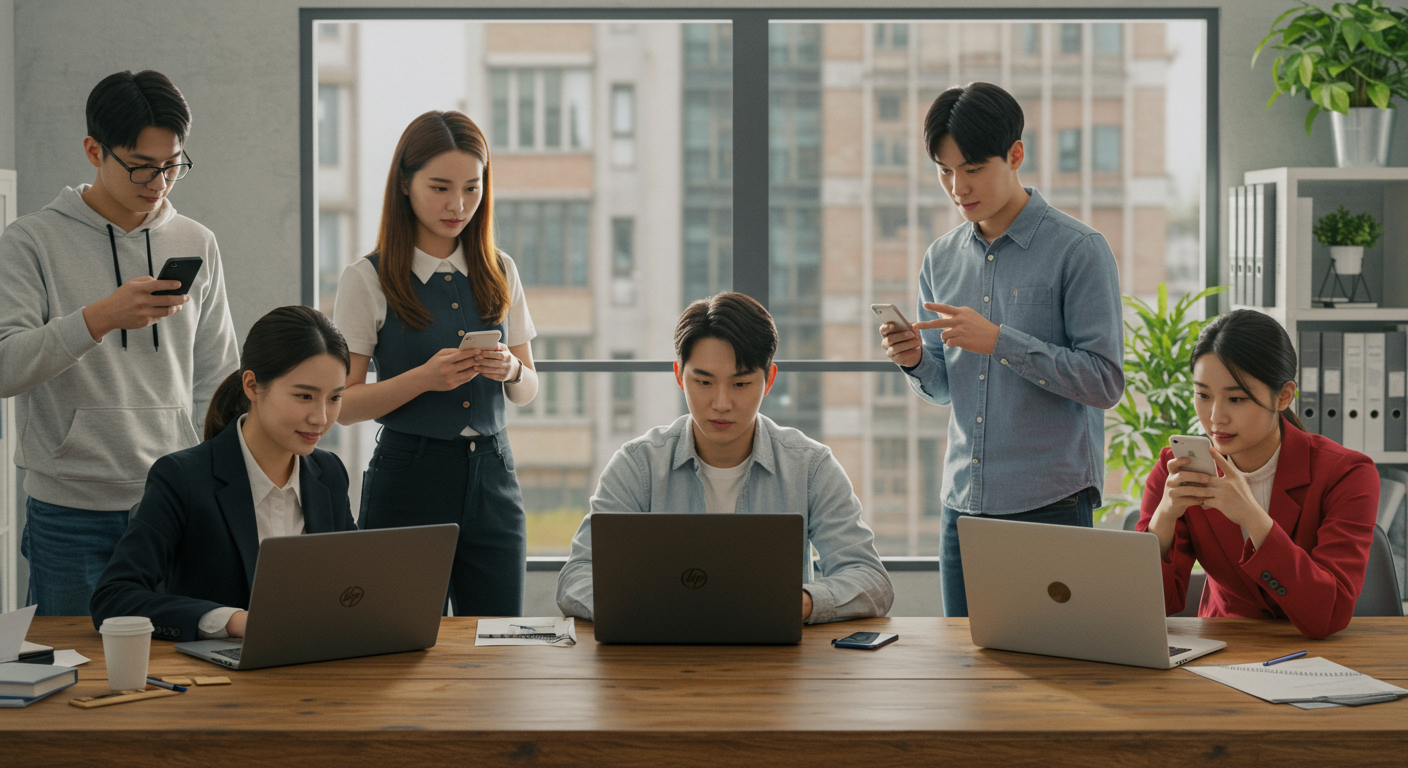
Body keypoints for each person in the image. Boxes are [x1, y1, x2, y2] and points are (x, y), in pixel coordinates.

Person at [877, 81, 1125, 618]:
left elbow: (1105, 383)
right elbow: (946, 389)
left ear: (1015, 155)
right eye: (944, 171)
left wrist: (1000, 342)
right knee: (966, 671)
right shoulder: (940, 259)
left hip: (1052, 504)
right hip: (962, 506)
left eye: (971, 169)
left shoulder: (1079, 250)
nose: (957, 187)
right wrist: (916, 359)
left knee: (1054, 671)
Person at [0, 70, 239, 616]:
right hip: (69, 509)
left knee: (178, 667)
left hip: (173, 501)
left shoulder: (196, 241)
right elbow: (5, 366)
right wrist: (100, 318)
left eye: (172, 165)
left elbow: (217, 375)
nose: (158, 181)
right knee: (74, 677)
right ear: (93, 150)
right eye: (140, 165)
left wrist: (215, 486)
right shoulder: (31, 241)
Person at [558, 292, 893, 624]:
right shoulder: (638, 464)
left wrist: (798, 603)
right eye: (703, 381)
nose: (721, 403)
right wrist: (656, 607)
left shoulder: (809, 465)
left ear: (769, 380)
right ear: (679, 376)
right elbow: (576, 576)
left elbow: (870, 579)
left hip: (774, 663)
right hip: (659, 658)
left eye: (741, 383)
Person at [333, 110, 537, 617]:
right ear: (404, 183)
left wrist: (509, 369)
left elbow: (528, 388)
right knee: (398, 641)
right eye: (441, 188)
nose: (458, 205)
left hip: (494, 475)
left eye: (472, 188)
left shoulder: (500, 268)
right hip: (409, 475)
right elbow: (344, 405)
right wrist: (425, 379)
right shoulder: (367, 279)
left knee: (495, 642)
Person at [90, 306, 357, 640]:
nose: (321, 417)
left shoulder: (328, 473)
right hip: (215, 675)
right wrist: (233, 622)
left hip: (314, 662)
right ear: (252, 386)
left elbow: (352, 582)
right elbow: (113, 598)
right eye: (304, 396)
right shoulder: (182, 478)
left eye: (335, 398)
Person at [1137, 310, 1378, 640]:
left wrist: (1252, 517)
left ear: (1283, 396)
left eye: (1235, 398)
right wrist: (1162, 519)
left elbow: (1330, 614)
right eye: (1203, 395)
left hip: (1316, 654)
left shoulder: (1347, 473)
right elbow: (1148, 607)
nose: (1215, 417)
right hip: (1221, 649)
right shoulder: (1176, 469)